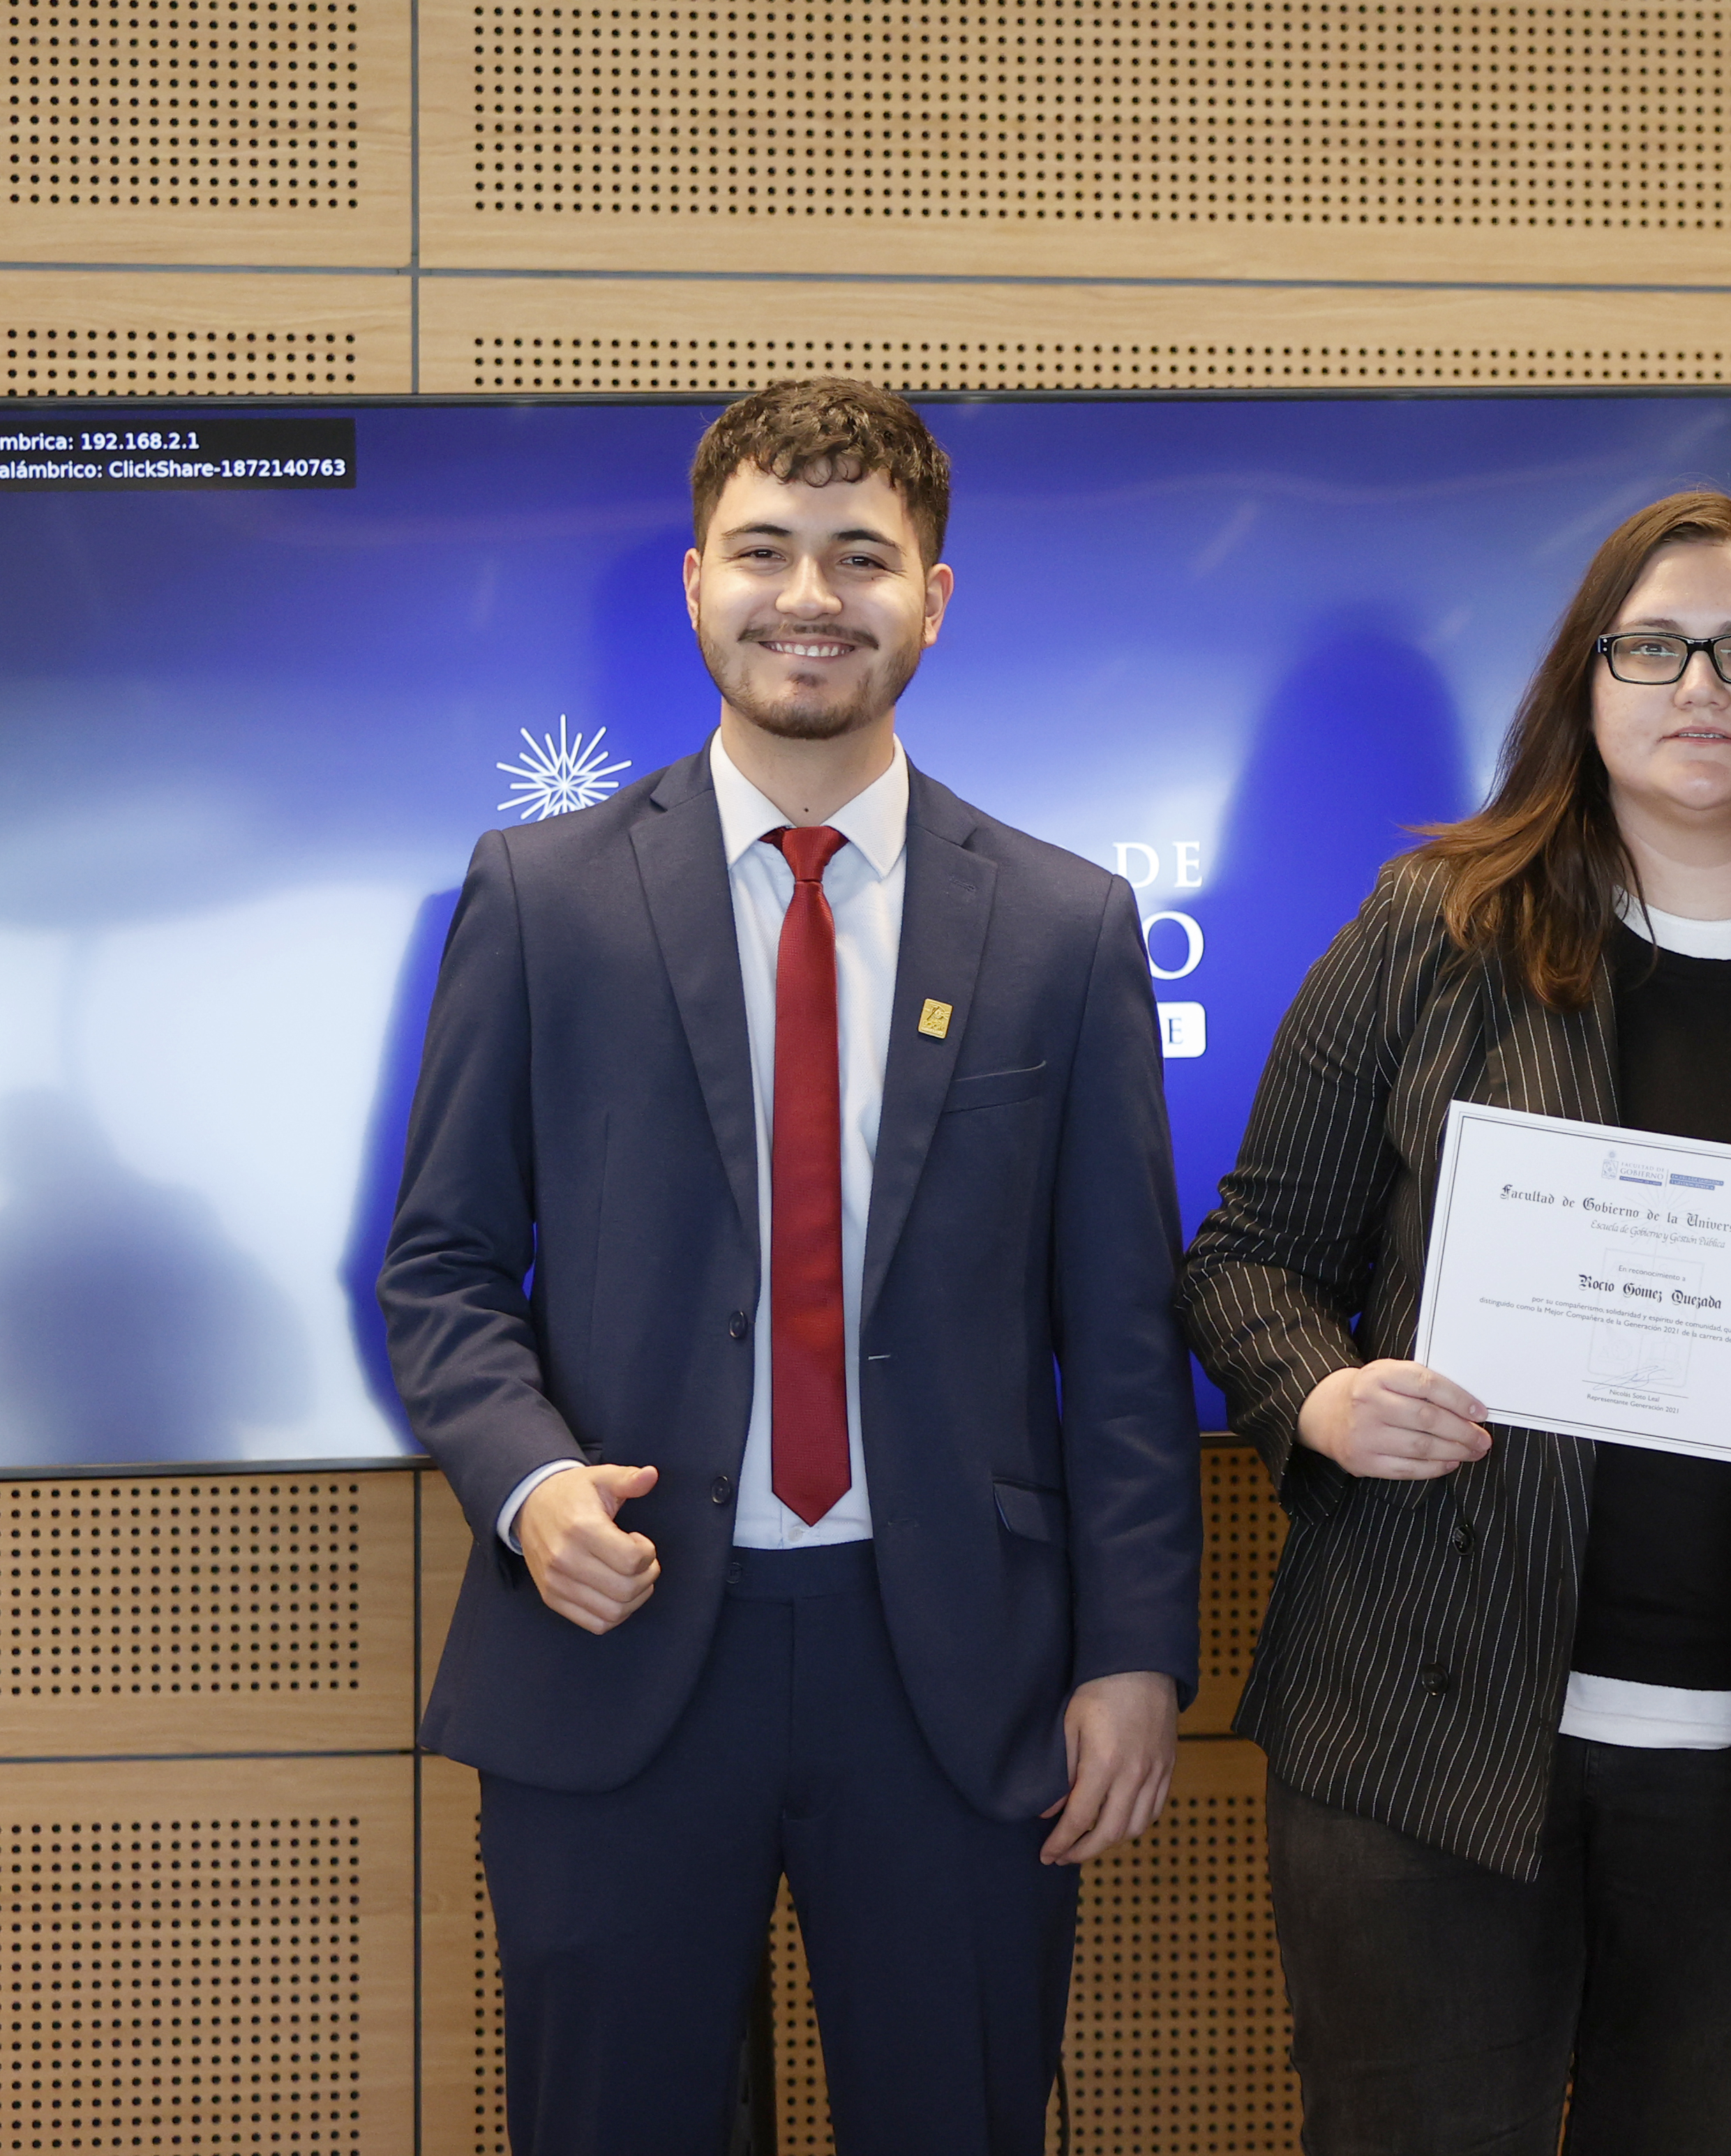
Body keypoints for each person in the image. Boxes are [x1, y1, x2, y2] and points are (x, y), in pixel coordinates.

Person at [1179, 490, 1731, 2155]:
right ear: (1584, 684)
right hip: (1424, 1726)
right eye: (1653, 645)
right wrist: (1322, 1400)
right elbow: (1248, 1257)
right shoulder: (1432, 928)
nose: (1702, 686)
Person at [383, 378, 1201, 2156]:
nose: (810, 596)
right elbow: (442, 1267)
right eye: (764, 551)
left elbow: (1122, 1329)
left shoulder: (1062, 927)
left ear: (935, 596)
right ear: (694, 583)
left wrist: (1138, 1650)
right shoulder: (542, 896)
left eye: (861, 556)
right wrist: (528, 1491)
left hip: (956, 1667)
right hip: (619, 1645)